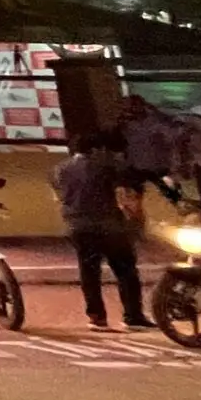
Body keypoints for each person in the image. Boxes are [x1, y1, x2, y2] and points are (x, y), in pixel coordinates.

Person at [55, 131, 148, 332]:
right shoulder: (105, 167)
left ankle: (96, 318)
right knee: (126, 270)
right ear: (97, 149)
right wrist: (135, 219)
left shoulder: (60, 169)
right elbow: (125, 191)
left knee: (89, 272)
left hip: (76, 225)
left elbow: (60, 195)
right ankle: (132, 316)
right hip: (107, 225)